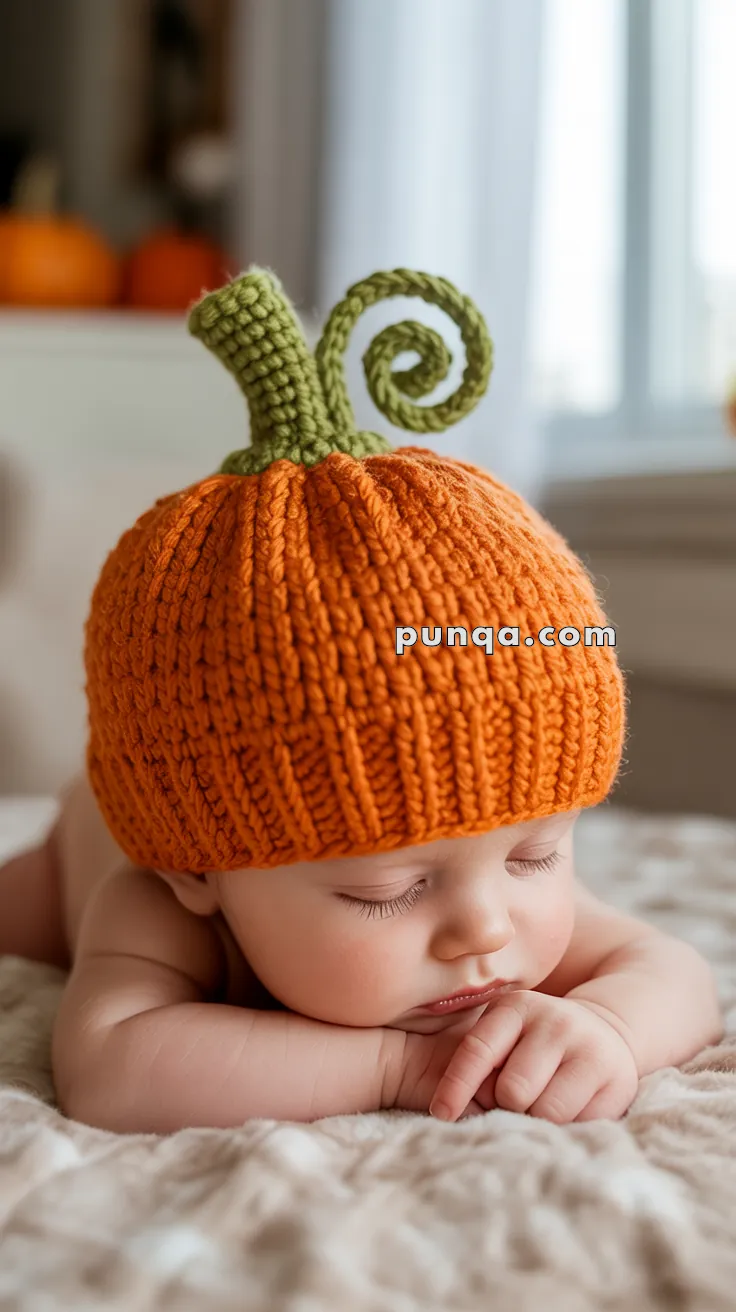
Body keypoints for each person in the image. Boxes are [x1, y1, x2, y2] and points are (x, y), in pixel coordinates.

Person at [0, 266, 723, 1133]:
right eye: (388, 889)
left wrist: (607, 1024)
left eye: (537, 856)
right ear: (200, 869)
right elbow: (115, 1070)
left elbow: (673, 971)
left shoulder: (490, 881)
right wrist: (400, 1063)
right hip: (69, 847)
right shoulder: (157, 903)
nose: (485, 927)